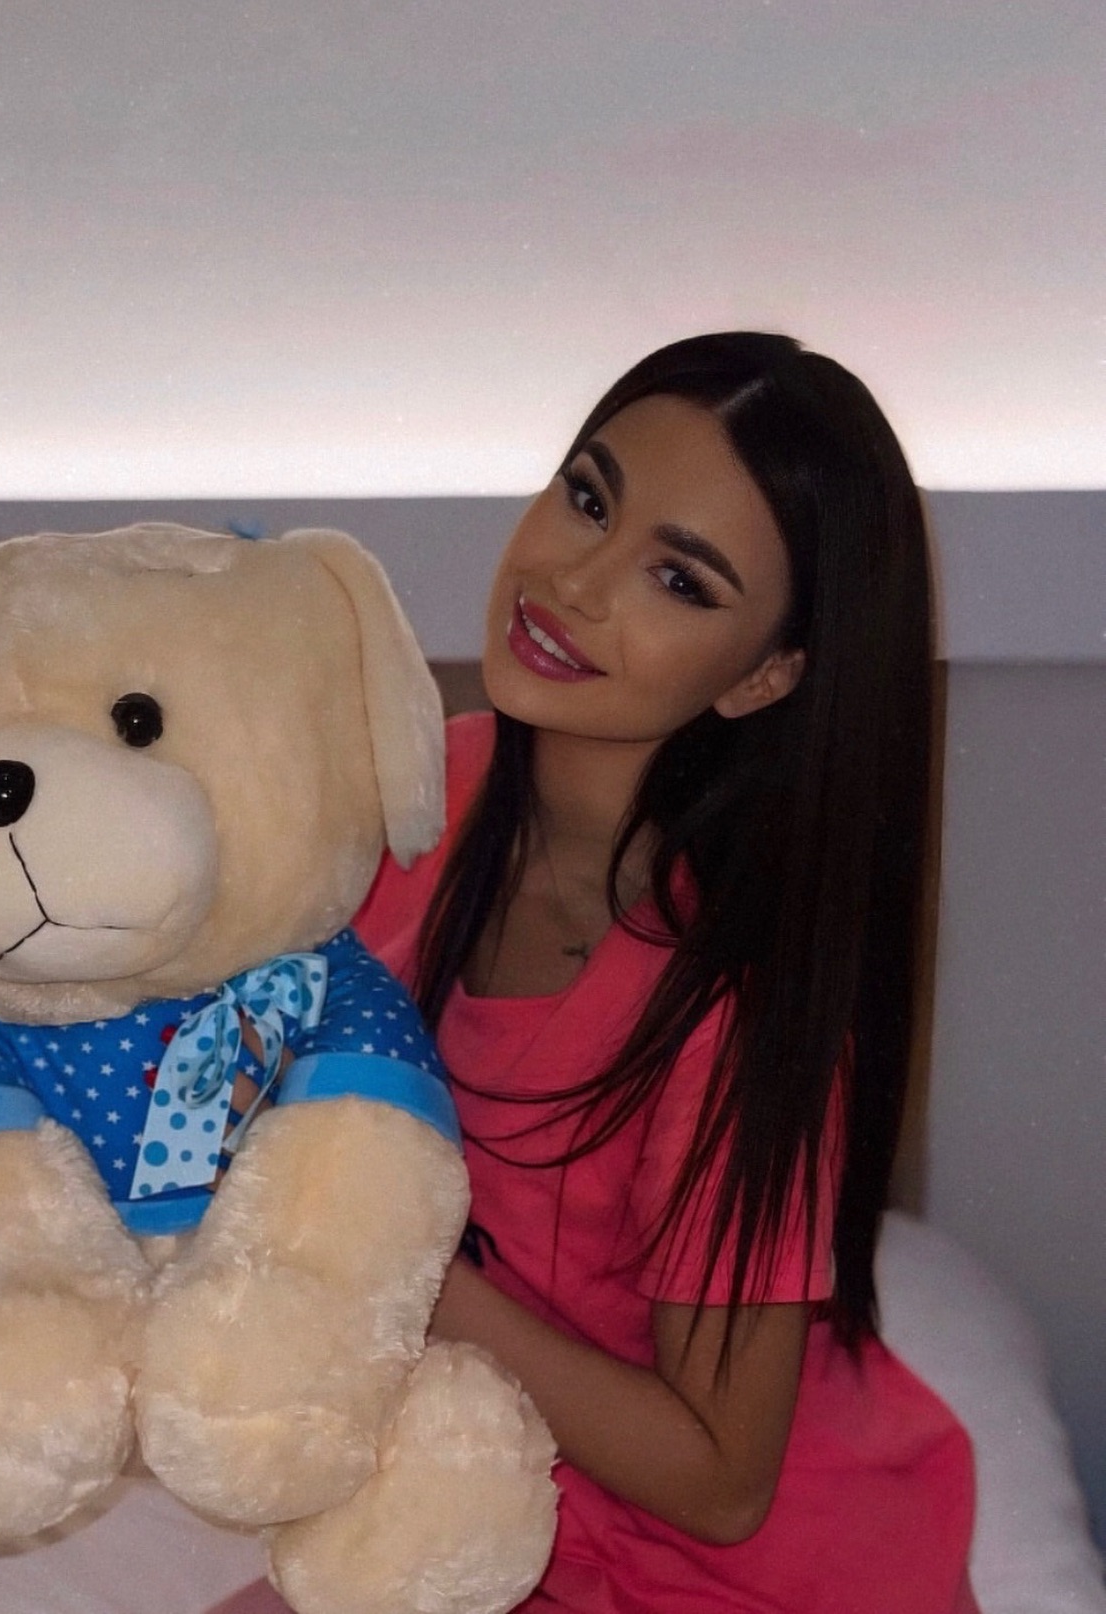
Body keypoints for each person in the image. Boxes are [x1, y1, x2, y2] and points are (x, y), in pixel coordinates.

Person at [354, 332, 977, 1613]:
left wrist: (383, 1251)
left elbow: (720, 1479)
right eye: (589, 498)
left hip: (717, 1576)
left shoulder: (722, 1002)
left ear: (766, 674)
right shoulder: (417, 795)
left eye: (679, 580)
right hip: (463, 1512)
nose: (574, 583)